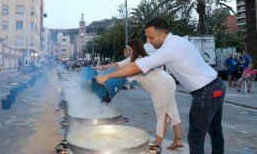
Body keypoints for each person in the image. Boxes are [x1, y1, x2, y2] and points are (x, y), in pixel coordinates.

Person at [96, 17, 226, 154]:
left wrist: (108, 76)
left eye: (151, 37)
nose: (148, 41)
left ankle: (164, 142)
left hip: (205, 93)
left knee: (195, 137)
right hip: (216, 86)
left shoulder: (169, 49)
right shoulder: (176, 41)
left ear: (163, 33)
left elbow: (137, 67)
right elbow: (127, 64)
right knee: (215, 131)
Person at [96, 39, 184, 153]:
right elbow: (117, 65)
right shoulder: (133, 59)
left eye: (129, 50)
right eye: (127, 50)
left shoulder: (137, 62)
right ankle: (178, 140)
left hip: (162, 86)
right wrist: (102, 68)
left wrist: (108, 93)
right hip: (167, 81)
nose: (127, 52)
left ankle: (156, 147)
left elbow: (120, 78)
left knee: (162, 115)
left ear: (136, 50)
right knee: (172, 111)